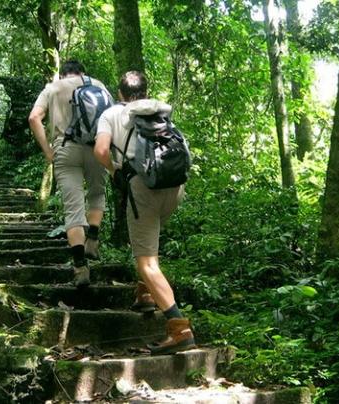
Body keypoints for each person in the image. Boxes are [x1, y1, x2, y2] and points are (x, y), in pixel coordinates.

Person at [94, 71, 195, 355]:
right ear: (145, 91)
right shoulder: (158, 112)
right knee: (149, 244)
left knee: (146, 262)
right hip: (174, 186)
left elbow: (101, 150)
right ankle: (145, 294)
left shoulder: (111, 114)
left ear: (120, 93)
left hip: (144, 188)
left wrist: (114, 170)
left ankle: (179, 327)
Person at [28, 60, 108, 287]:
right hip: (95, 148)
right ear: (83, 72)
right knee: (96, 193)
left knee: (74, 207)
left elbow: (34, 118)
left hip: (65, 148)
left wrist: (48, 151)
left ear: (62, 74)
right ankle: (92, 238)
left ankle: (80, 266)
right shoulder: (99, 85)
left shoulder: (53, 87)